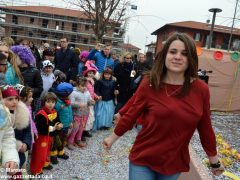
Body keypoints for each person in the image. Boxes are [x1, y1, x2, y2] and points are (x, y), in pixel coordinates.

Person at [103, 33, 224, 180]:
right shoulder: (150, 82)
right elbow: (132, 113)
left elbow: (205, 127)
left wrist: (214, 161)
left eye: (184, 53)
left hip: (174, 162)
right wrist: (112, 138)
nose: (177, 57)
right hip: (143, 157)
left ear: (191, 58)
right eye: (173, 52)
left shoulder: (201, 90)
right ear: (165, 55)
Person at [30, 92, 62, 175]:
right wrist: (53, 128)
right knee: (39, 154)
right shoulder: (41, 114)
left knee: (47, 151)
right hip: (42, 138)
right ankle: (36, 170)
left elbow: (57, 120)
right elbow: (40, 128)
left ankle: (45, 163)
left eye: (53, 102)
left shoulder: (54, 112)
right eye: (48, 102)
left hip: (50, 136)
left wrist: (59, 124)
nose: (50, 104)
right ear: (44, 102)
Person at [68, 76, 94, 149]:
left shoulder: (87, 92)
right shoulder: (73, 93)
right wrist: (79, 105)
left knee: (81, 127)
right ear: (77, 85)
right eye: (82, 86)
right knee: (75, 128)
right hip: (76, 113)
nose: (84, 88)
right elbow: (71, 103)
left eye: (85, 86)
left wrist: (91, 102)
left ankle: (78, 140)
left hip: (85, 113)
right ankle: (70, 141)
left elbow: (89, 100)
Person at [0, 88, 19, 177]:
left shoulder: (3, 114)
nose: (14, 102)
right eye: (10, 99)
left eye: (16, 98)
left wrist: (10, 157)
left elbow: (7, 137)